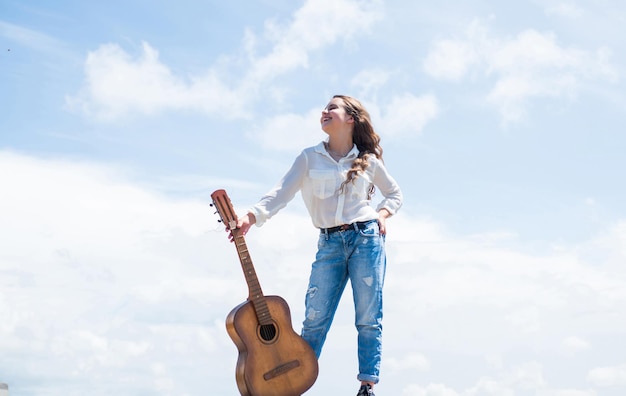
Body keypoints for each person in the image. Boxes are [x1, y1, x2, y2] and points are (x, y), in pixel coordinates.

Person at [232, 94, 402, 396]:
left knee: (368, 316)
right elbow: (280, 193)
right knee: (315, 318)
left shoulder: (369, 161)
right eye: (324, 108)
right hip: (330, 245)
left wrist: (383, 215)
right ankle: (292, 384)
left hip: (367, 240)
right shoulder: (309, 157)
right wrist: (251, 216)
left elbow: (394, 194)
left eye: (332, 108)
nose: (324, 111)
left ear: (350, 118)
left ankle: (367, 386)